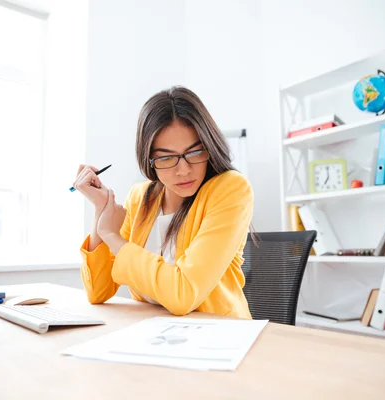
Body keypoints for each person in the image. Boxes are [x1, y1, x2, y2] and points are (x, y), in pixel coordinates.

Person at [73, 86, 254, 318]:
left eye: (195, 152)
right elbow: (98, 291)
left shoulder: (230, 189)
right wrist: (101, 209)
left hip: (219, 335)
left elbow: (183, 294)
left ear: (210, 146)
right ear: (149, 159)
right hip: (155, 333)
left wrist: (112, 236)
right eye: (167, 157)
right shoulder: (140, 198)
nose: (183, 170)